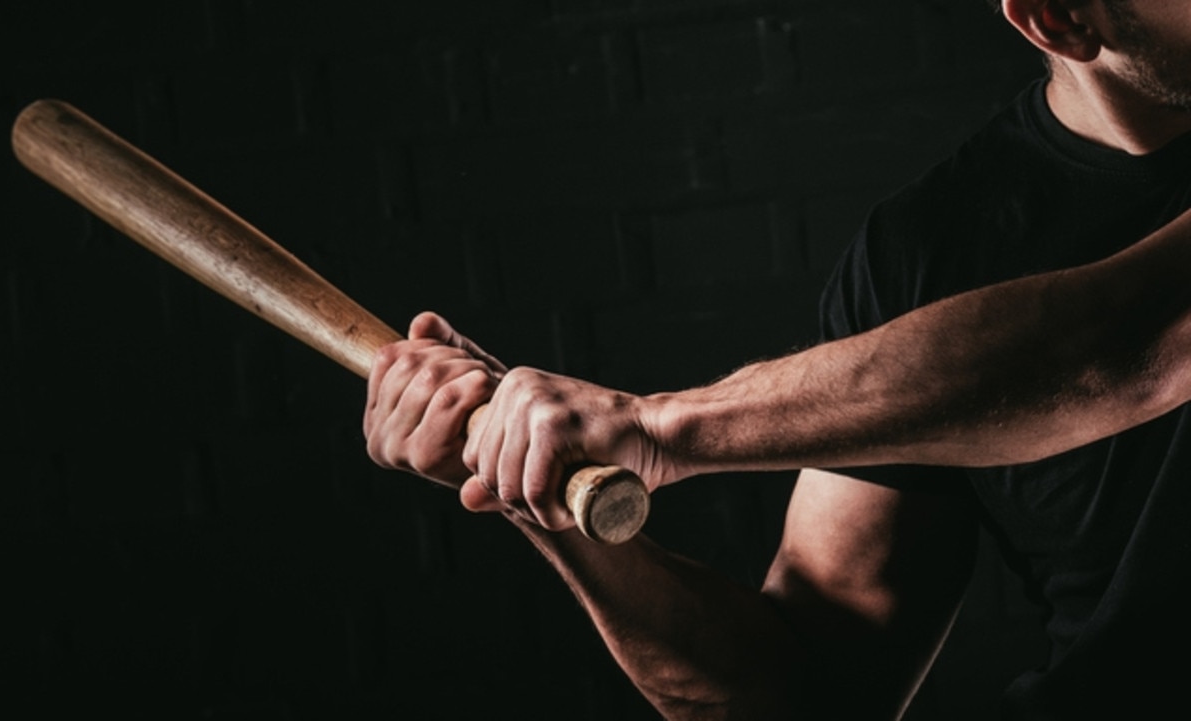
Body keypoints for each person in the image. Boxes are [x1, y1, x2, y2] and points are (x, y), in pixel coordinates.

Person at [364, 1, 1191, 718]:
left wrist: (656, 427)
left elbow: (1126, 348)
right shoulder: (928, 252)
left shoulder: (1110, 325)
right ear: (1060, 18)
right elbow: (796, 696)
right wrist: (531, 468)